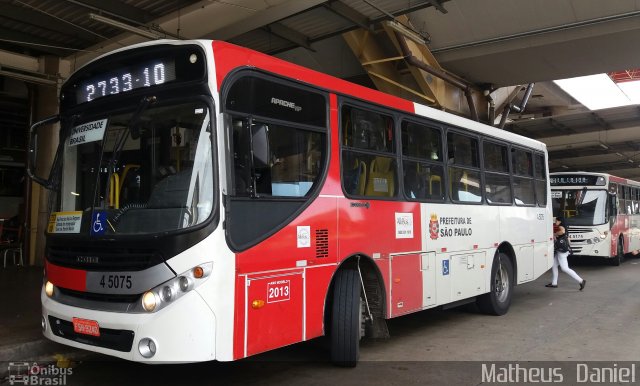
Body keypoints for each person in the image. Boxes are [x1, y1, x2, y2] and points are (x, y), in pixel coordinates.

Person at [546, 216, 586, 290]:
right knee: (554, 265)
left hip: (562, 251)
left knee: (564, 268)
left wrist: (554, 234)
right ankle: (554, 283)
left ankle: (581, 280)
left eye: (556, 221)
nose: (555, 222)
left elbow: (562, 232)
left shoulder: (561, 227)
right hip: (561, 250)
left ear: (560, 221)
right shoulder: (564, 226)